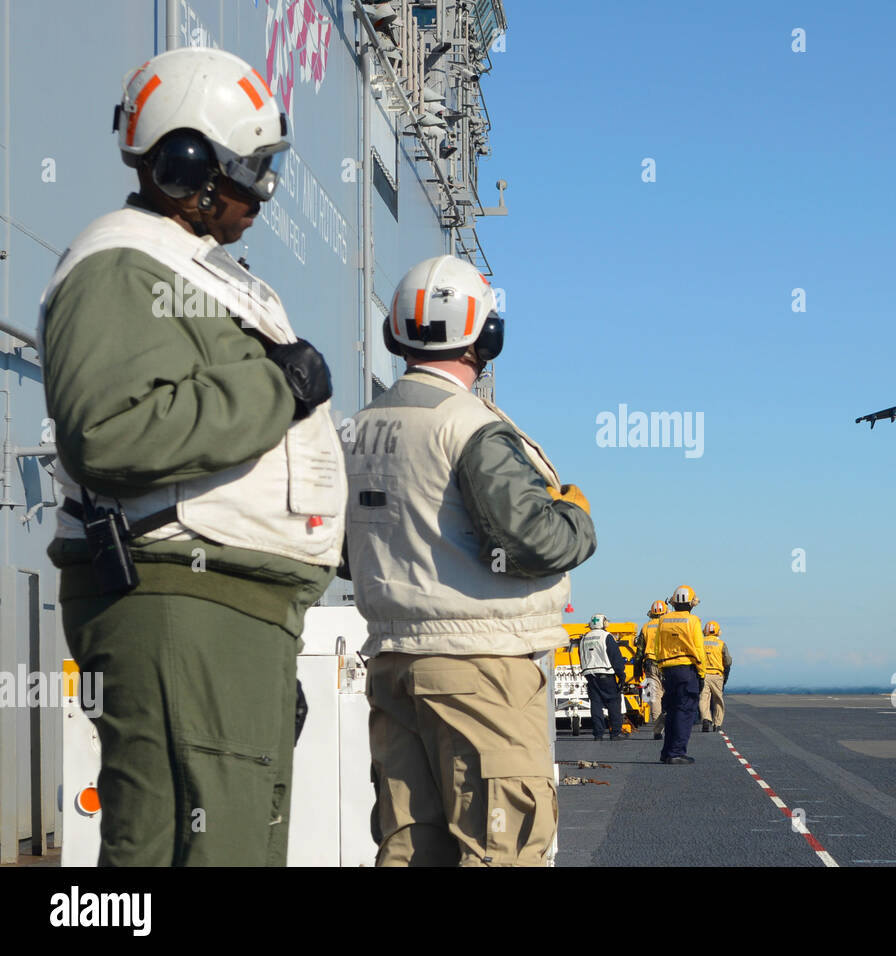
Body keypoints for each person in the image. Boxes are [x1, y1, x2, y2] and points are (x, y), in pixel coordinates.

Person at [38, 47, 342, 866]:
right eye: (250, 173)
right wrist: (278, 389)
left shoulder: (187, 269)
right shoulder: (120, 264)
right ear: (184, 167)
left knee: (228, 843)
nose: (262, 196)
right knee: (184, 848)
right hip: (179, 603)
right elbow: (107, 429)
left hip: (223, 615)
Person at [344, 254, 597, 867]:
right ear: (488, 337)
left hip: (394, 664)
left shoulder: (355, 430)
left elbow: (343, 550)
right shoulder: (469, 427)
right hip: (478, 669)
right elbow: (535, 540)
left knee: (409, 847)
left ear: (395, 333)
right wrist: (576, 516)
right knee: (500, 849)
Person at [655, 585, 707, 765]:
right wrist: (701, 674)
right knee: (684, 711)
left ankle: (667, 752)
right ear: (692, 603)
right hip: (687, 669)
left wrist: (662, 668)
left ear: (674, 602)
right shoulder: (693, 621)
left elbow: (657, 646)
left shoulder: (663, 620)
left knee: (672, 711)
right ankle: (676, 752)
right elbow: (699, 650)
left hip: (668, 670)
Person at [578, 614, 625, 740]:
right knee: (613, 702)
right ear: (603, 623)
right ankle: (615, 733)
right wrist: (621, 675)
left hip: (590, 675)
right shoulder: (606, 637)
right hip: (606, 674)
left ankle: (598, 734)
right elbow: (615, 656)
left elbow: (581, 656)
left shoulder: (584, 638)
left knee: (596, 704)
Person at [635, 600, 668, 739]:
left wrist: (637, 669)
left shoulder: (646, 627)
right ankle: (670, 721)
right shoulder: (668, 625)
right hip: (667, 664)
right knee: (669, 695)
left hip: (650, 664)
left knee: (654, 697)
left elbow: (640, 650)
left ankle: (657, 729)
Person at [699, 621, 732, 733]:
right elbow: (728, 661)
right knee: (718, 699)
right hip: (717, 675)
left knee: (704, 698)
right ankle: (717, 724)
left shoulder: (700, 642)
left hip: (704, 675)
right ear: (718, 632)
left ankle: (706, 718)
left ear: (705, 631)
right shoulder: (721, 644)